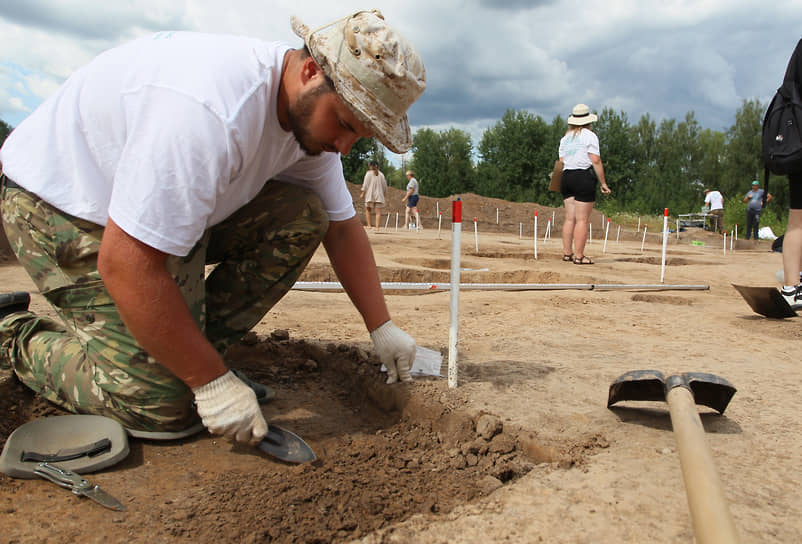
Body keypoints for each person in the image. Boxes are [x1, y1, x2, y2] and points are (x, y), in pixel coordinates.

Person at [0, 9, 426, 445]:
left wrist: (382, 327)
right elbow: (126, 264)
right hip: (59, 208)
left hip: (154, 219)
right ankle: (12, 333)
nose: (343, 145)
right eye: (343, 124)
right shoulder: (210, 114)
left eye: (359, 135)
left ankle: (184, 355)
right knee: (157, 408)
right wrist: (209, 381)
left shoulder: (309, 128)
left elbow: (340, 228)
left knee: (305, 215)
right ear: (311, 71)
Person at [557, 104, 611, 265]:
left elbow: (561, 161)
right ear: (588, 121)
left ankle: (567, 253)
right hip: (582, 176)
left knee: (569, 218)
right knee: (581, 220)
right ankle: (579, 256)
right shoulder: (589, 136)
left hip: (566, 176)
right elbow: (595, 160)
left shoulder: (565, 138)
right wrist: (603, 183)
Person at [360, 160, 387, 230]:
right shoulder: (381, 174)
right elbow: (384, 186)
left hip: (370, 194)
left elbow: (365, 184)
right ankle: (377, 227)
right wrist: (384, 194)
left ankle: (369, 225)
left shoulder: (368, 174)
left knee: (368, 210)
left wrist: (363, 193)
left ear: (370, 166)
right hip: (379, 194)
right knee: (378, 212)